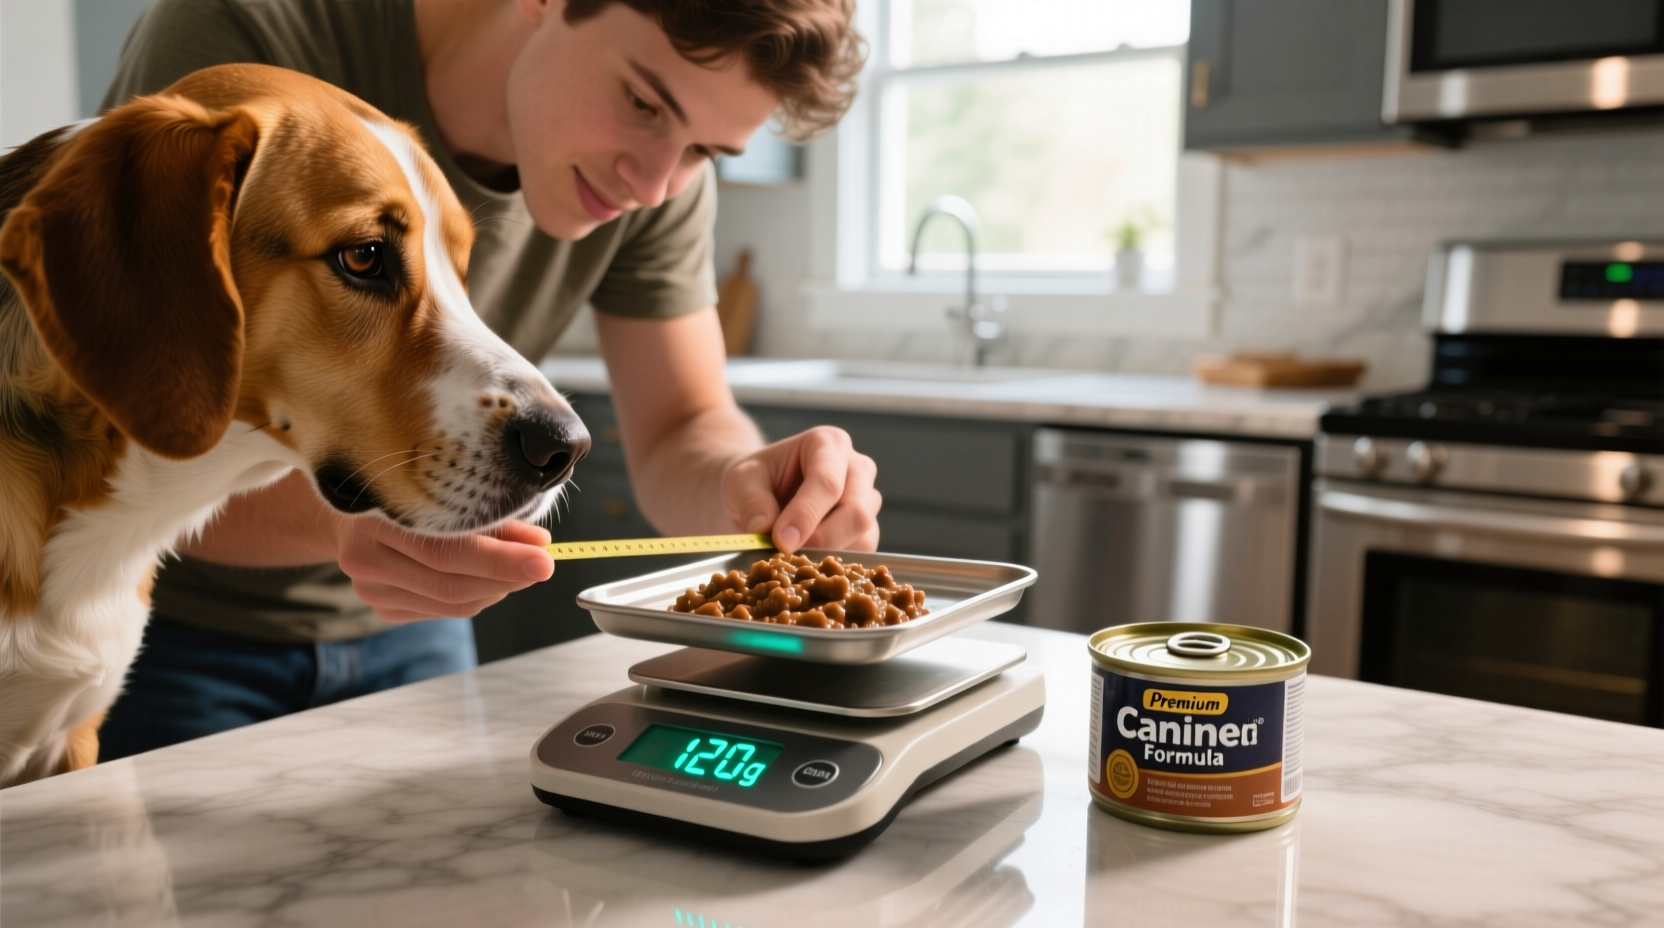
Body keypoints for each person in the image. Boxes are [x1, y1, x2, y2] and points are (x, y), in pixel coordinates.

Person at [96, 0, 877, 759]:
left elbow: (682, 424)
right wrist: (352, 517)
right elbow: (118, 425)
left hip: (412, 629)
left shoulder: (659, 177)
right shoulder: (248, 36)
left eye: (708, 150)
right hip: (165, 626)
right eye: (642, 101)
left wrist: (746, 484)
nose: (652, 184)